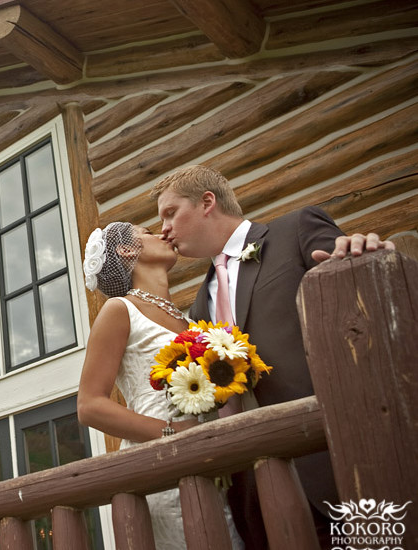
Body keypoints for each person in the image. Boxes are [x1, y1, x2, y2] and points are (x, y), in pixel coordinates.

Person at [150, 164, 395, 548]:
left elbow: (356, 289)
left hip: (339, 460)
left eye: (170, 213)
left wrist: (362, 251)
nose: (163, 229)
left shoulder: (294, 230)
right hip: (261, 493)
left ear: (207, 202)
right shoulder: (198, 306)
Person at [76, 221, 244, 549]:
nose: (163, 234)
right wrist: (172, 433)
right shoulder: (118, 310)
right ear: (127, 250)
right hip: (163, 470)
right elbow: (89, 405)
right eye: (149, 233)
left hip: (216, 468)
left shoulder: (193, 323)